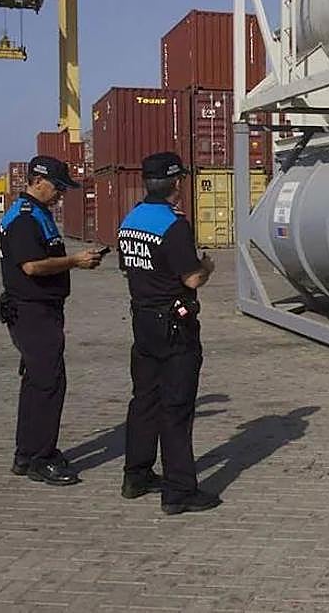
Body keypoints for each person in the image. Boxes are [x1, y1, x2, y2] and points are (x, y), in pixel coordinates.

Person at [117, 152, 220, 515]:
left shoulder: (130, 220)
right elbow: (190, 278)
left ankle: (136, 474)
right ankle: (179, 490)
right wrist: (206, 266)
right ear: (176, 184)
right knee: (176, 407)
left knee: (143, 400)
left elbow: (128, 268)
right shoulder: (173, 225)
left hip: (142, 322)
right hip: (174, 327)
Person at [0, 155, 104, 485]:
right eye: (57, 187)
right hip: (32, 311)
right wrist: (74, 261)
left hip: (40, 310)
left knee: (36, 383)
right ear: (37, 181)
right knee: (48, 383)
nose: (61, 194)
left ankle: (28, 452)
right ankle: (39, 458)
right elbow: (31, 266)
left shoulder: (38, 213)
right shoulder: (25, 218)